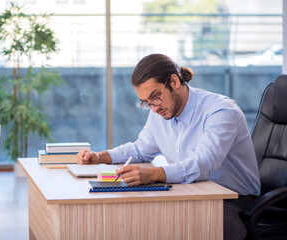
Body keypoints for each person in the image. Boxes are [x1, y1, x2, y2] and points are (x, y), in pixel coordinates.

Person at [77, 53, 260, 240]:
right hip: (192, 192)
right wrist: (100, 157)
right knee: (138, 218)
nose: (154, 108)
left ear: (174, 81)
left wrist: (154, 174)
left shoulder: (220, 111)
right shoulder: (159, 112)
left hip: (233, 201)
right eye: (147, 103)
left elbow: (202, 164)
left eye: (155, 97)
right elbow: (141, 149)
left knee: (172, 226)